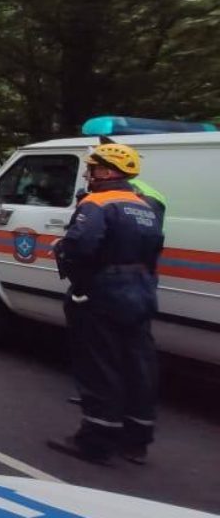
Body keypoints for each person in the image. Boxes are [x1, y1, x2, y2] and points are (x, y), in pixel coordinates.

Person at [50, 142, 164, 466]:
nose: (88, 173)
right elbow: (154, 249)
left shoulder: (97, 203)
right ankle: (137, 441)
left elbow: (80, 246)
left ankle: (96, 440)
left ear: (108, 171)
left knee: (100, 364)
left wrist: (63, 251)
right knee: (139, 365)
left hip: (104, 291)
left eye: (93, 168)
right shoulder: (146, 206)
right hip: (141, 290)